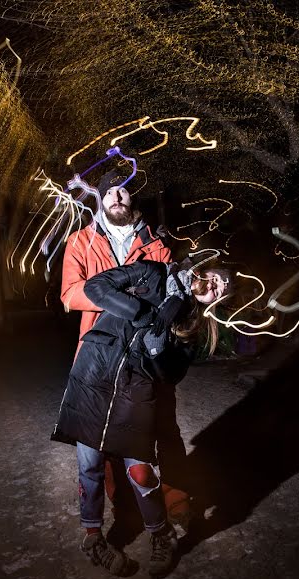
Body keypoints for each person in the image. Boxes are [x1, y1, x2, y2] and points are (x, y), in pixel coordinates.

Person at [51, 259, 229, 578]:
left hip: (137, 389)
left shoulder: (195, 323)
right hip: (95, 374)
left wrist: (159, 350)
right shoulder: (152, 272)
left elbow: (172, 374)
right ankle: (93, 540)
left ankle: (161, 534)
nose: (216, 288)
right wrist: (144, 314)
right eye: (217, 278)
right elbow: (95, 287)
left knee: (140, 470)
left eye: (222, 290)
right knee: (89, 465)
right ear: (203, 270)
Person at [60, 171, 191, 528]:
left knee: (164, 426)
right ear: (99, 199)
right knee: (100, 435)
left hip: (148, 352)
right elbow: (70, 294)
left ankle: (177, 496)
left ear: (131, 199)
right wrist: (121, 299)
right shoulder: (81, 242)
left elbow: (171, 292)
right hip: (100, 353)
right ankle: (120, 502)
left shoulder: (155, 243)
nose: (117, 197)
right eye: (109, 192)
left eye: (123, 191)